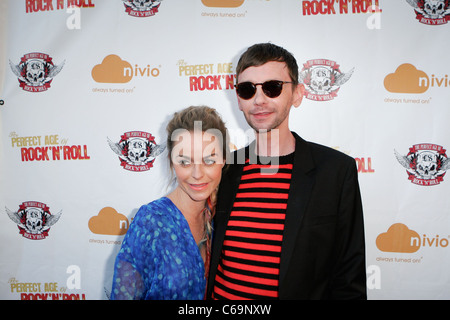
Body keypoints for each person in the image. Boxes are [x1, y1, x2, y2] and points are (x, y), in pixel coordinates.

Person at [207, 43, 366, 299]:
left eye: (272, 87)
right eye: (247, 90)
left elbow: (349, 279)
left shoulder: (335, 172)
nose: (259, 100)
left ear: (298, 94)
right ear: (238, 99)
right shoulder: (223, 169)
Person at [111, 106, 228, 300]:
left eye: (208, 160)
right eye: (184, 162)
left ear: (223, 159)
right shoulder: (150, 221)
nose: (197, 174)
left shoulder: (223, 217)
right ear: (172, 162)